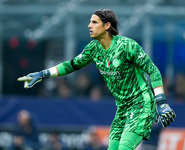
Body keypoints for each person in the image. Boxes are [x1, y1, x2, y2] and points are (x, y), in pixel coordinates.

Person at [17, 9, 176, 150]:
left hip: (141, 104)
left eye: (94, 22)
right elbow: (70, 65)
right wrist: (42, 74)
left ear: (107, 26)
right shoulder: (93, 49)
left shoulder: (128, 46)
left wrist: (161, 102)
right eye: (89, 22)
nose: (89, 25)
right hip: (122, 109)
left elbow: (153, 71)